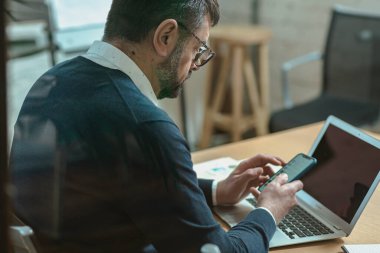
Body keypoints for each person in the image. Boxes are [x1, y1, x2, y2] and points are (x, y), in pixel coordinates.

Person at [9, 0, 303, 252]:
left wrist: (216, 190)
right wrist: (268, 210)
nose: (196, 63)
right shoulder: (144, 125)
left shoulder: (51, 81)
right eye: (198, 48)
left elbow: (125, 181)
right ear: (166, 36)